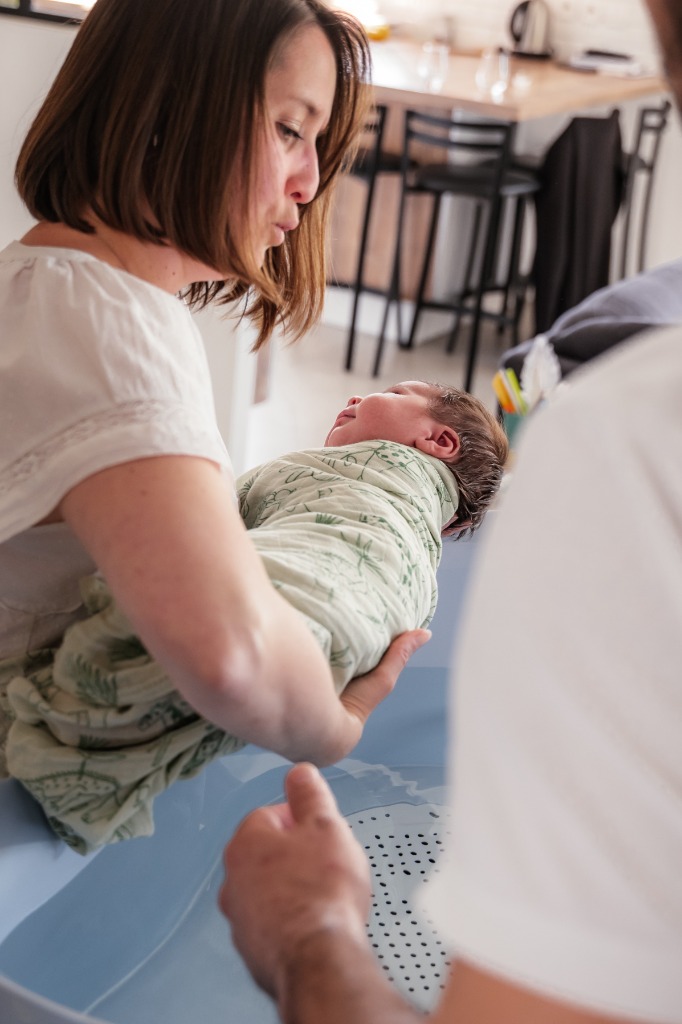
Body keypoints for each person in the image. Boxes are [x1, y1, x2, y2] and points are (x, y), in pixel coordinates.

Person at [219, 2, 682, 1021]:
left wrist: (307, 937)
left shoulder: (633, 445)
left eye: (313, 139)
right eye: (285, 131)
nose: (303, 180)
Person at [0, 0, 429, 808]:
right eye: (288, 131)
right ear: (171, 106)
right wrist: (340, 725)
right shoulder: (113, 332)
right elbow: (233, 658)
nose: (308, 183)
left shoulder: (38, 284)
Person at [5, 380, 508, 853]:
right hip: (360, 632)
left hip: (278, 619)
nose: (357, 394)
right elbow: (409, 600)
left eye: (396, 391)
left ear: (439, 441)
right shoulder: (422, 547)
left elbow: (221, 514)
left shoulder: (315, 470)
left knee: (155, 646)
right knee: (198, 706)